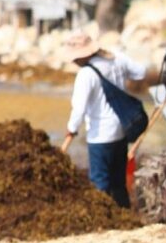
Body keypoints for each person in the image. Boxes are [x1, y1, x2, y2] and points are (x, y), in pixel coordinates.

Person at [62, 32, 147, 208]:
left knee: (99, 183)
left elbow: (79, 108)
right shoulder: (116, 58)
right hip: (121, 131)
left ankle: (102, 218)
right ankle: (124, 215)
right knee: (118, 182)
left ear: (81, 55)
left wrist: (71, 130)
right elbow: (140, 72)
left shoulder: (86, 74)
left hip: (100, 136)